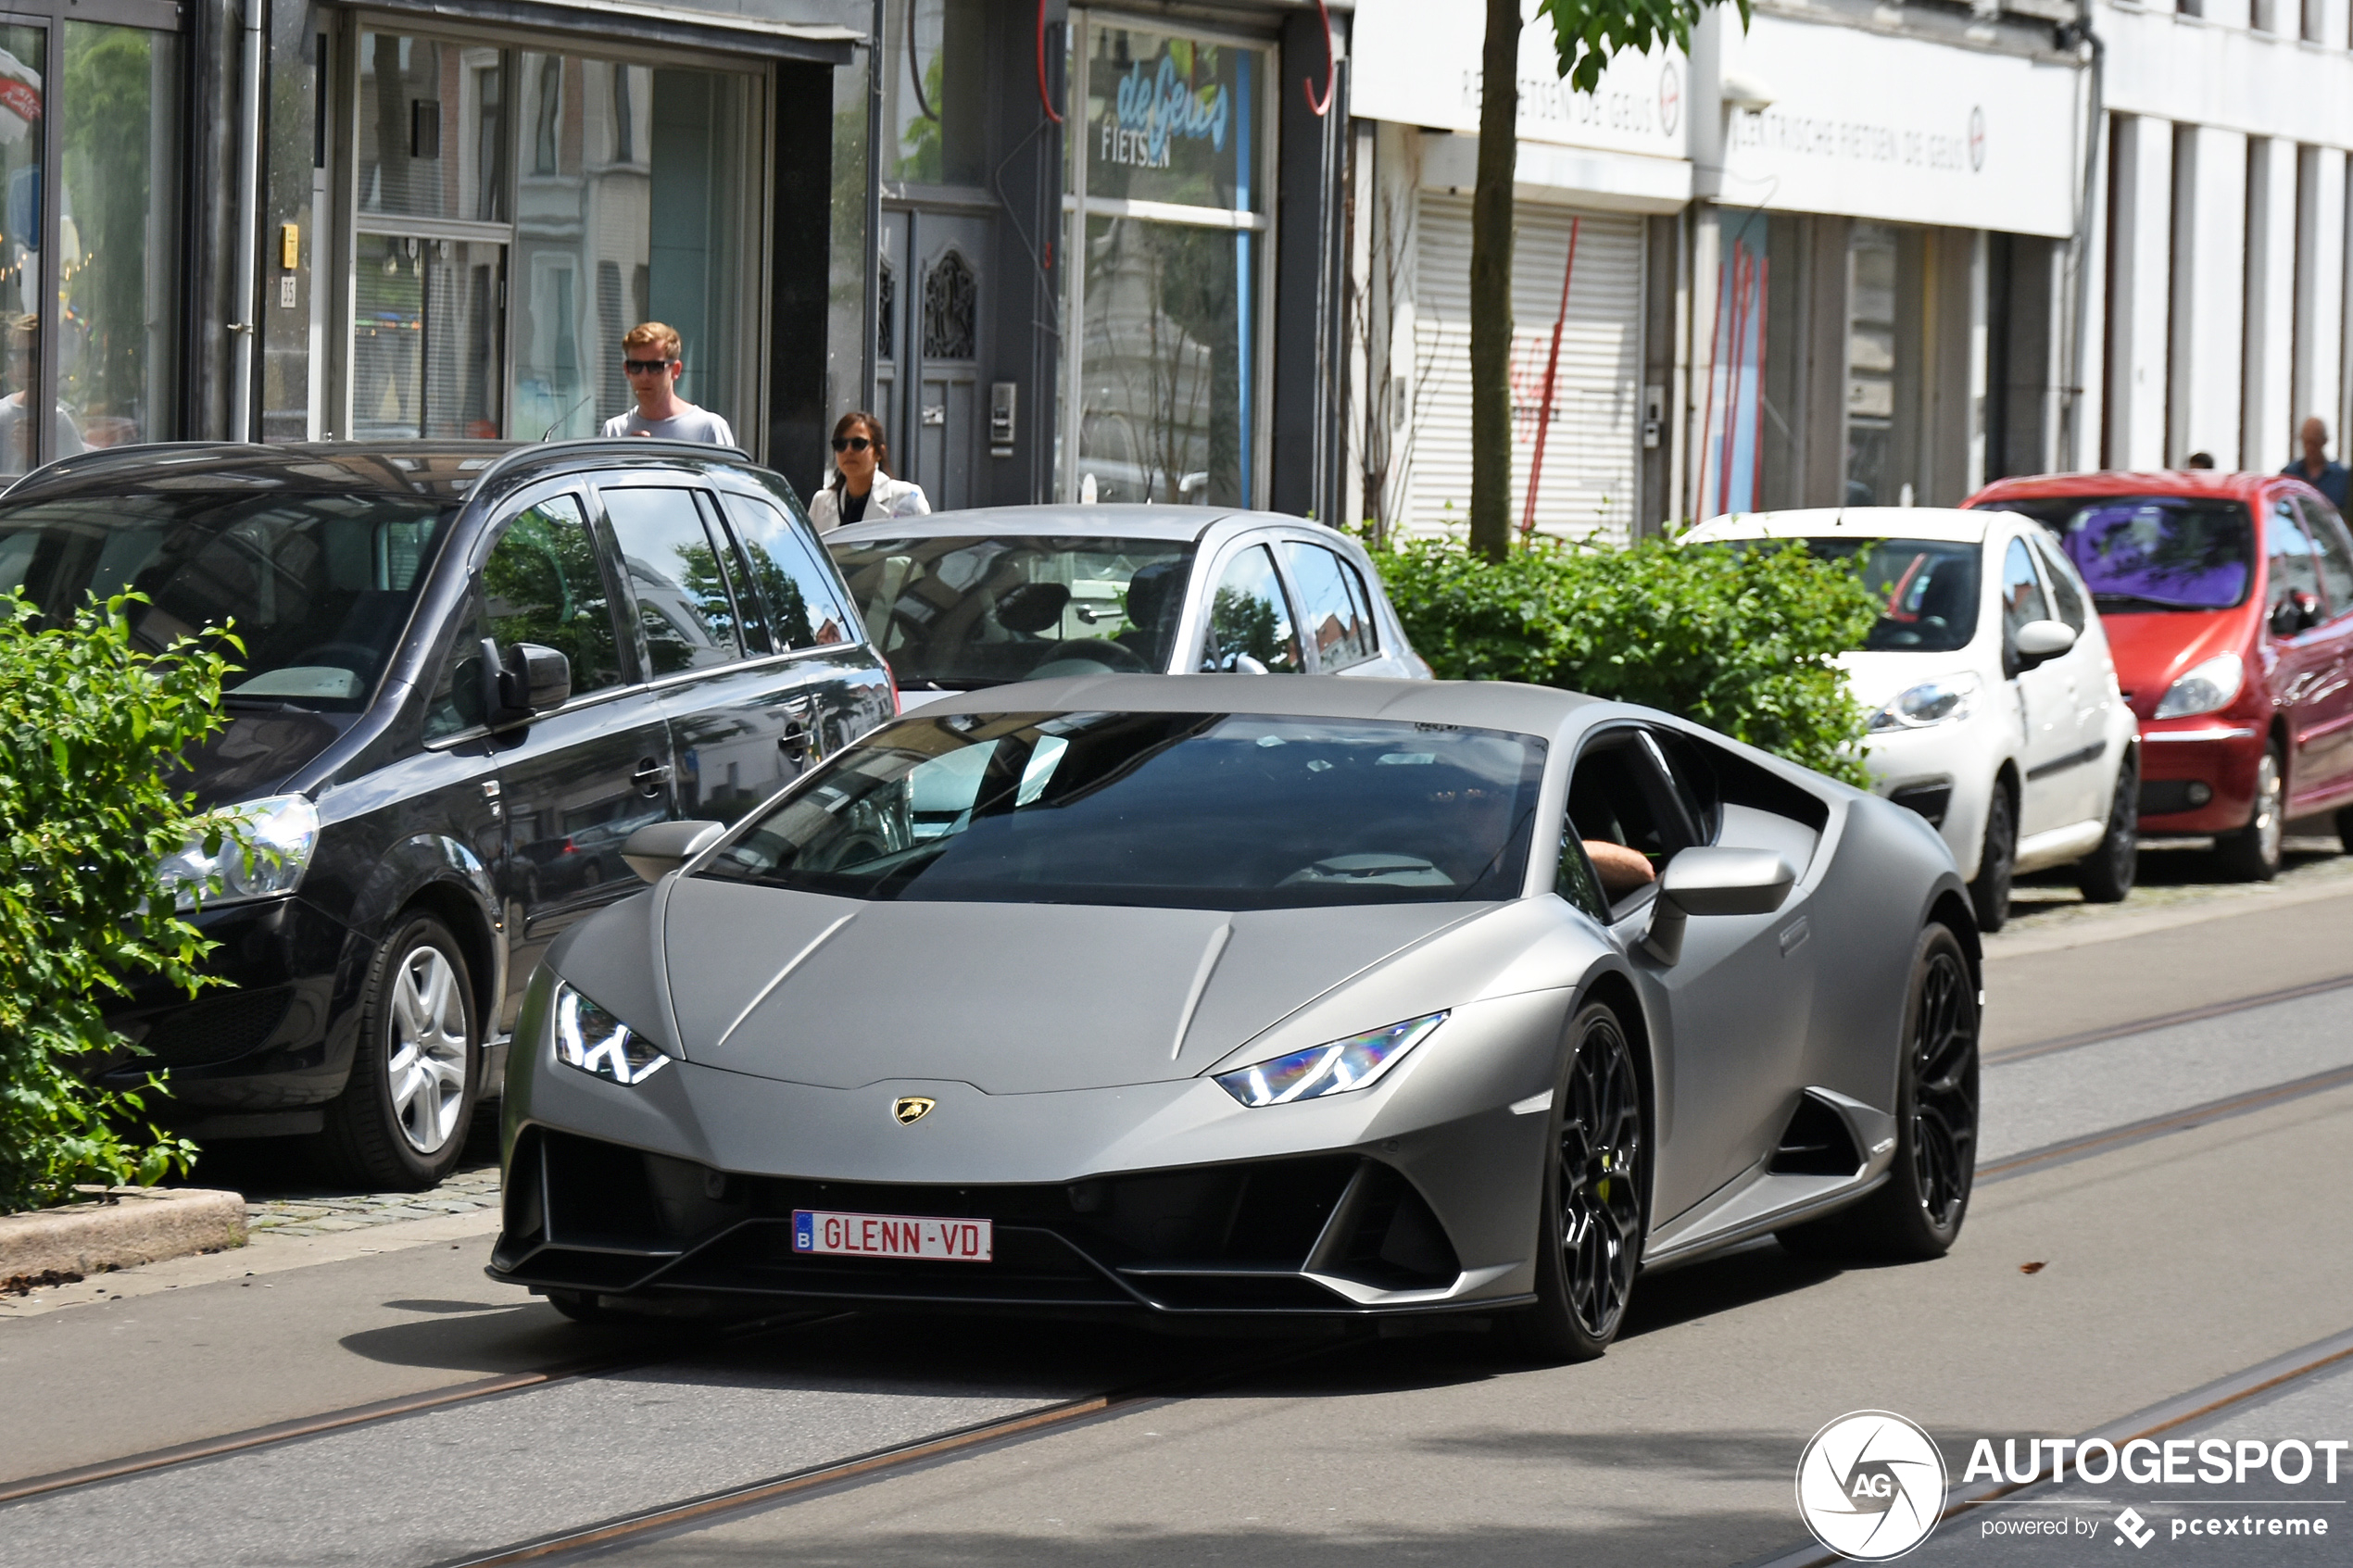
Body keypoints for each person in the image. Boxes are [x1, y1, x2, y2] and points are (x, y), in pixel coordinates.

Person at [600, 321, 736, 445]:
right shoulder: (615, 431)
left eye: (655, 367)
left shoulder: (708, 429)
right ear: (626, 370)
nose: (644, 376)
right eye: (635, 366)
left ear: (675, 370)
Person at [807, 410, 929, 531]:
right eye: (840, 444)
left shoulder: (907, 497)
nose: (848, 451)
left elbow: (925, 547)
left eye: (858, 443)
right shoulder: (821, 502)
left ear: (878, 452)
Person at [0, 314, 82, 475]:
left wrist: (35, 455)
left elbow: (75, 479)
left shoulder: (59, 420)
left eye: (33, 355)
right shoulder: (2, 414)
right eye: (17, 354)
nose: (24, 363)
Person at [2283, 417, 2352, 511]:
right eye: (2306, 442)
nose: (2310, 448)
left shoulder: (2342, 477)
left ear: (2325, 441)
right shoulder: (2289, 474)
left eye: (2315, 442)